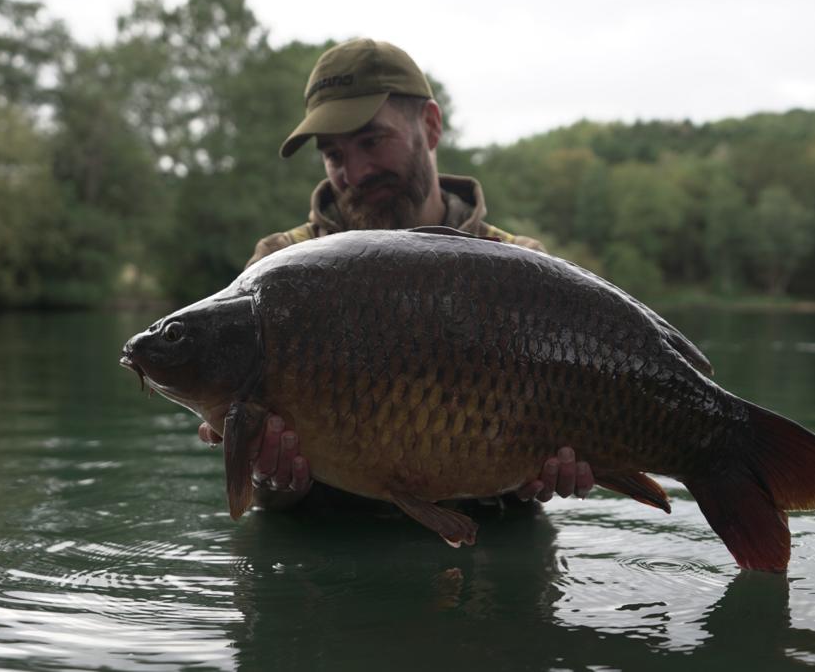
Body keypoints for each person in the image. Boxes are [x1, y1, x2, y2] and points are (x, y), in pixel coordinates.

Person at [198, 38, 594, 512]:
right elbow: (255, 484)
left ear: (430, 126)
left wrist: (547, 472)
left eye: (371, 141)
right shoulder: (278, 263)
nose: (356, 172)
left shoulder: (519, 267)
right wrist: (268, 476)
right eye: (334, 155)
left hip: (488, 544)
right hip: (330, 545)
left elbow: (555, 459)